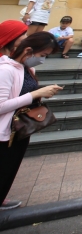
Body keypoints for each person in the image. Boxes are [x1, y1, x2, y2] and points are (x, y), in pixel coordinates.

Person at [0, 25, 62, 211]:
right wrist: (35, 94)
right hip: (4, 131)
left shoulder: (27, 70)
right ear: (28, 50)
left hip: (19, 129)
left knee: (9, 169)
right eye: (42, 55)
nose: (42, 59)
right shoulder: (6, 70)